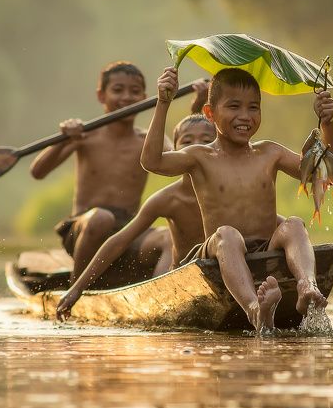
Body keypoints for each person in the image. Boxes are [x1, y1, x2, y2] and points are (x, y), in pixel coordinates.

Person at [141, 66, 333, 333]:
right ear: (210, 113)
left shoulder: (270, 152)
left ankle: (307, 286)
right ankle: (254, 309)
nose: (245, 117)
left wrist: (326, 124)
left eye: (253, 108)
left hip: (263, 246)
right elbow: (152, 161)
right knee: (228, 234)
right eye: (234, 107)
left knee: (293, 223)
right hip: (219, 248)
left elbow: (331, 176)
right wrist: (163, 102)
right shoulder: (200, 156)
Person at [29, 62, 210, 281]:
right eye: (117, 90)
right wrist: (64, 138)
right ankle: (77, 288)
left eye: (134, 92)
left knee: (167, 237)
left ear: (144, 97)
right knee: (101, 218)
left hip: (129, 232)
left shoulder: (148, 140)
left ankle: (163, 296)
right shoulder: (85, 136)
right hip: (84, 228)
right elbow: (38, 171)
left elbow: (183, 160)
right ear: (101, 96)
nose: (126, 97)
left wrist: (197, 108)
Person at [55, 113, 216, 319]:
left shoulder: (230, 188)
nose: (196, 147)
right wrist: (77, 289)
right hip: (181, 278)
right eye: (187, 142)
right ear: (175, 151)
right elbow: (119, 241)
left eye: (206, 141)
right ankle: (160, 299)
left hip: (215, 268)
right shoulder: (166, 199)